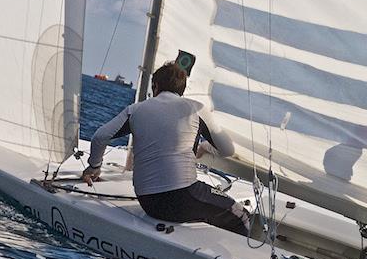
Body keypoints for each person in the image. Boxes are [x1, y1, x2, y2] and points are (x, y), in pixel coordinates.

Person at [81, 62, 250, 236]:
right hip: (184, 199)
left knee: (205, 207)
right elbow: (227, 150)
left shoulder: (135, 110)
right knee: (241, 215)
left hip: (149, 203)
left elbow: (100, 137)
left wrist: (94, 166)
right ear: (182, 90)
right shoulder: (196, 109)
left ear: (155, 86)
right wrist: (205, 147)